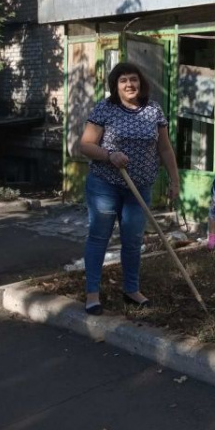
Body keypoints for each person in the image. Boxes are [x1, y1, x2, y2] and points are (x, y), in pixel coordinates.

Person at [78, 62, 180, 315]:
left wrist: (174, 180)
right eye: (123, 80)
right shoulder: (105, 108)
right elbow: (86, 145)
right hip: (105, 184)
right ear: (116, 86)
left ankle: (131, 289)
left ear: (140, 82)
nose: (129, 84)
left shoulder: (153, 110)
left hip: (140, 187)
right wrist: (109, 155)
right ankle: (92, 294)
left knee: (133, 241)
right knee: (99, 237)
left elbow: (165, 148)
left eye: (133, 79)